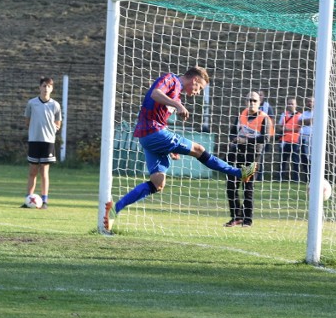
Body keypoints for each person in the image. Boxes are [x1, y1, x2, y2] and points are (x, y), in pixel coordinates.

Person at [104, 66, 257, 231]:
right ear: (195, 80)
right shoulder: (170, 79)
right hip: (153, 132)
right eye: (200, 88)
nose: (198, 92)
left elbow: (161, 117)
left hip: (150, 138)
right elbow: (155, 93)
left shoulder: (177, 94)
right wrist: (177, 105)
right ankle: (239, 173)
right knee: (198, 149)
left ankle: (114, 209)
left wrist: (170, 147)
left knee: (158, 183)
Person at [224, 92, 274, 227]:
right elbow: (232, 132)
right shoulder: (241, 115)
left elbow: (265, 138)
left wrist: (245, 140)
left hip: (252, 156)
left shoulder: (264, 118)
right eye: (249, 100)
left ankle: (247, 220)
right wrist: (233, 141)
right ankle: (236, 217)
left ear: (259, 102)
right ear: (245, 101)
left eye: (254, 100)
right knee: (231, 185)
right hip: (237, 154)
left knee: (248, 187)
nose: (252, 103)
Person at [22, 76, 62, 209]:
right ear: (40, 87)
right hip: (34, 140)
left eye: (49, 86)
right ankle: (28, 199)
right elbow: (27, 121)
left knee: (44, 171)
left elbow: (58, 123)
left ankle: (44, 200)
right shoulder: (31, 103)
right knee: (32, 171)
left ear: (52, 89)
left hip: (48, 141)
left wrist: (51, 129)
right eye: (44, 86)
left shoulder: (55, 105)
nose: (46, 88)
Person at [276, 98, 301, 182]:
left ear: (296, 105)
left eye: (292, 104)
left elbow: (299, 128)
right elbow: (279, 126)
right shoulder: (284, 114)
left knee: (295, 161)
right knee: (282, 160)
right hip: (284, 140)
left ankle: (296, 179)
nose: (290, 105)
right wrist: (283, 129)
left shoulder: (299, 115)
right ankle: (280, 178)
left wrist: (288, 129)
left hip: (295, 141)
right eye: (289, 103)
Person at [255, 90, 275, 181]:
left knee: (260, 156)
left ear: (264, 96)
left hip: (263, 135)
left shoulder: (267, 107)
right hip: (254, 134)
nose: (259, 96)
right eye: (258, 95)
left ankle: (260, 176)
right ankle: (252, 175)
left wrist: (269, 134)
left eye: (261, 95)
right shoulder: (254, 106)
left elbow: (272, 121)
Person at [298, 96, 314, 182]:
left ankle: (313, 177)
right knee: (304, 158)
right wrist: (309, 121)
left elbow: (315, 120)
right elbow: (299, 122)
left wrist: (305, 121)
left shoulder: (318, 112)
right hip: (303, 138)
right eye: (308, 102)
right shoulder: (304, 113)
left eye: (311, 102)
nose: (309, 103)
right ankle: (307, 178)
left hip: (313, 139)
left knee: (312, 158)